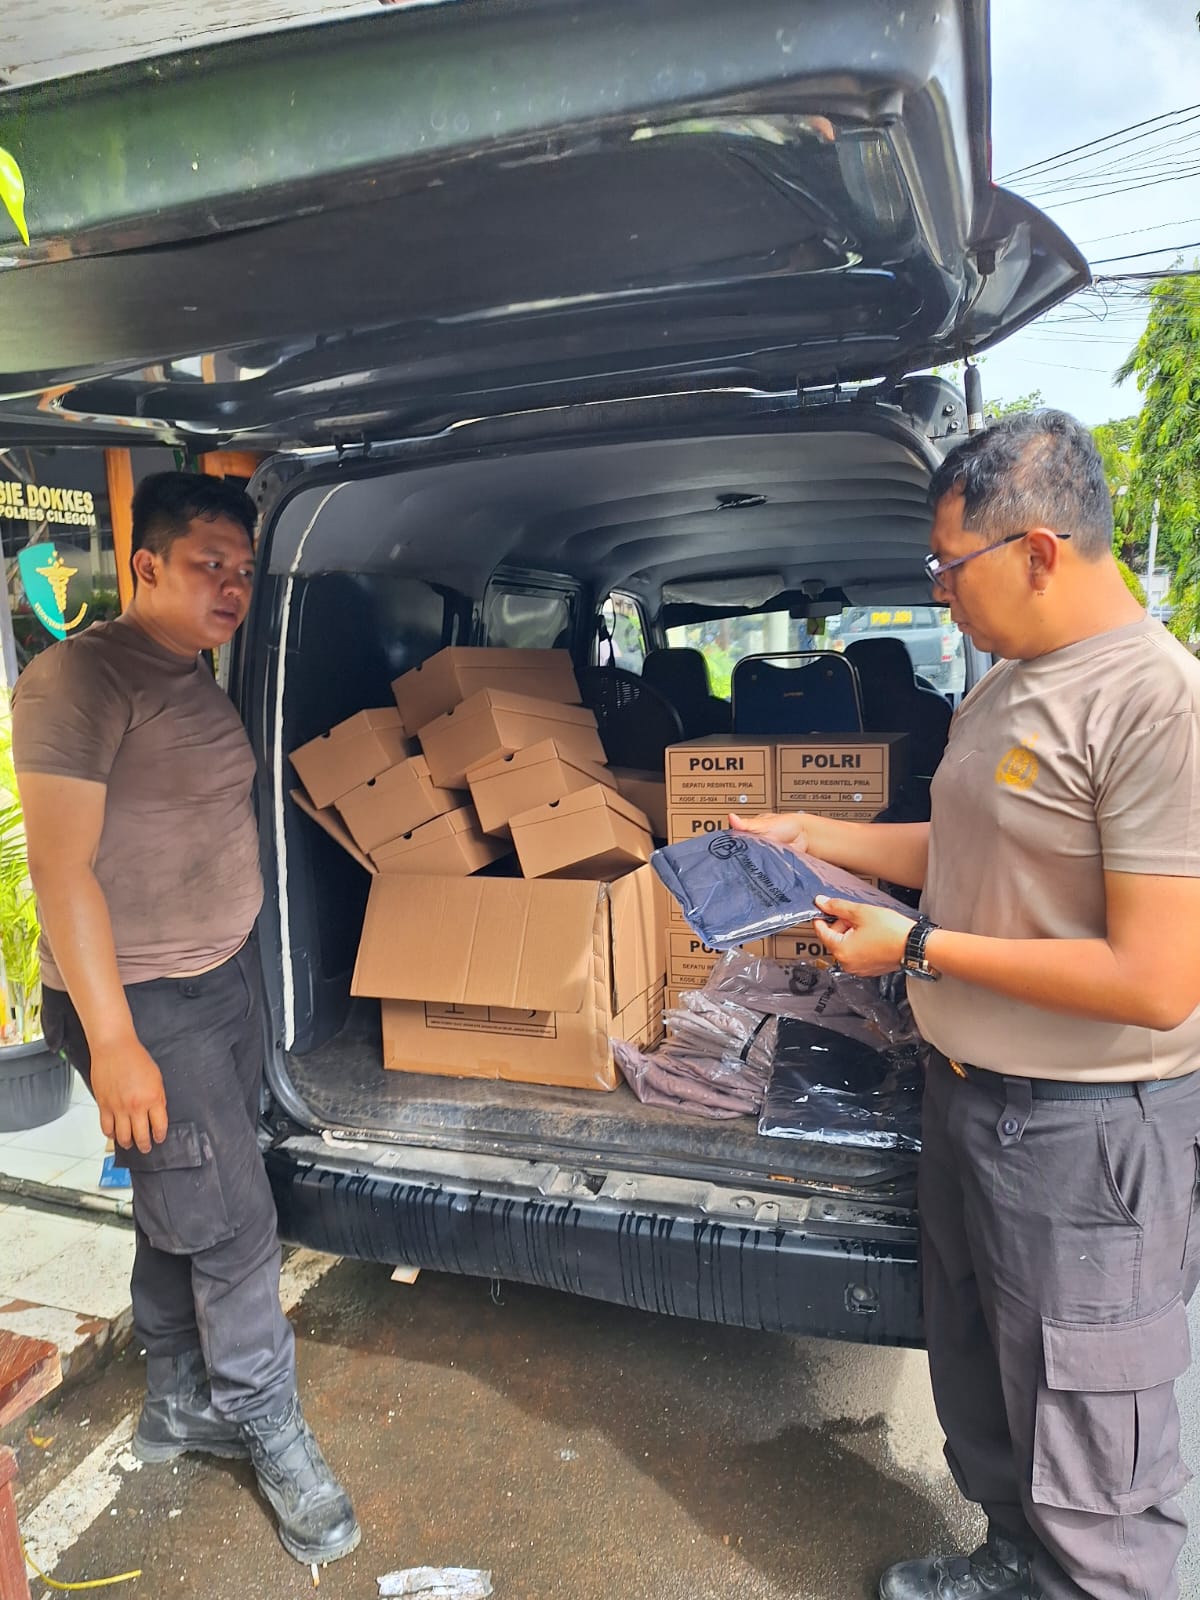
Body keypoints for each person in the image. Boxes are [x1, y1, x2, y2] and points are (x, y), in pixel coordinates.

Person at [734, 410, 1200, 1600]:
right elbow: (964, 844)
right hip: (966, 1097)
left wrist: (920, 946)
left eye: (949, 565)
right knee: (981, 1370)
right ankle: (1011, 1560)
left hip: (1087, 1127)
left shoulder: (1156, 702)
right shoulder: (1006, 686)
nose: (938, 590)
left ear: (1037, 551)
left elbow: (1158, 978)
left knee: (1093, 1440)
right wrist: (813, 832)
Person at [12, 472, 360, 1568]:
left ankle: (173, 1401)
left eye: (243, 570)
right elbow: (61, 871)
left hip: (218, 979)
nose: (233, 587)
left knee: (186, 1191)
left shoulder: (187, 668)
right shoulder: (82, 677)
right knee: (235, 1224)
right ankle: (268, 1425)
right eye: (210, 565)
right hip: (145, 1000)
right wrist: (116, 1042)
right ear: (144, 564)